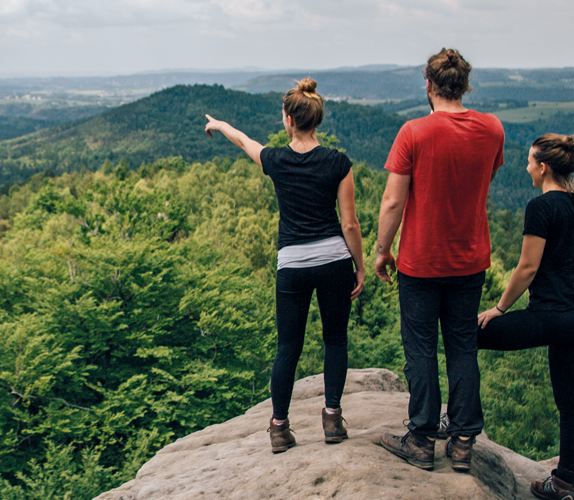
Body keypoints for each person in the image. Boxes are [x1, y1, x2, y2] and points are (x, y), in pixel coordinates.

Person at [204, 78, 367, 453]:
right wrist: (358, 265)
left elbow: (245, 141)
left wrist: (219, 125)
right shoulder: (338, 163)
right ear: (316, 120)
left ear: (289, 120)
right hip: (333, 261)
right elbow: (350, 224)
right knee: (335, 340)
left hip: (291, 263)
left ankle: (279, 428)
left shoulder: (276, 160)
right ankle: (331, 420)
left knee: (287, 347)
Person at [374, 48, 505, 472]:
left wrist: (382, 250)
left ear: (428, 86)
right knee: (463, 346)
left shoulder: (414, 132)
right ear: (465, 86)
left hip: (421, 261)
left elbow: (393, 201)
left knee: (421, 349)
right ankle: (463, 441)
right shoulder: (492, 130)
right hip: (470, 258)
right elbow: (485, 177)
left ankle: (422, 438)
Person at [476, 134, 574, 500]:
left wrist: (499, 309)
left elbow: (528, 267)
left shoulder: (541, 207)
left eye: (529, 161)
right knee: (572, 404)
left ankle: (459, 421)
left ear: (543, 167)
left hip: (549, 314)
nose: (526, 167)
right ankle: (563, 483)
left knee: (467, 335)